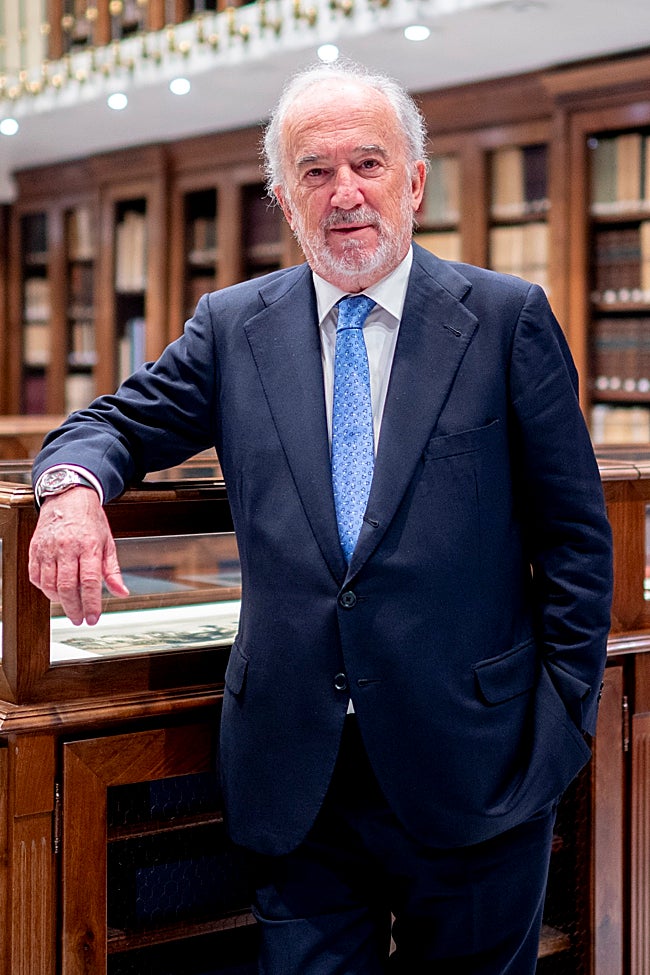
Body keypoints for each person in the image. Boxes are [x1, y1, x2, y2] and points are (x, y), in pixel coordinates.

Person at [28, 60, 612, 974]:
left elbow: (577, 543)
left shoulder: (505, 321)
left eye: (368, 164)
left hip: (479, 769)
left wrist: (563, 729)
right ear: (282, 199)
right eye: (315, 172)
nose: (344, 194)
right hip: (296, 780)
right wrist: (69, 490)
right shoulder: (232, 328)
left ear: (414, 182)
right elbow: (109, 423)